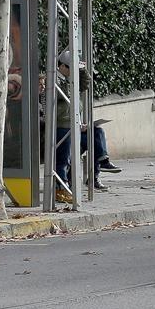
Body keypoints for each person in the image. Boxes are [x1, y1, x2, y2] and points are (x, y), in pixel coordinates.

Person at [51, 50, 118, 202]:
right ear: (61, 66)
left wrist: (81, 68)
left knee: (95, 134)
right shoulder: (54, 79)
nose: (73, 73)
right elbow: (63, 97)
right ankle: (61, 188)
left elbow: (86, 83)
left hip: (73, 125)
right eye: (70, 68)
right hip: (60, 126)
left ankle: (102, 162)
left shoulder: (69, 79)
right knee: (63, 157)